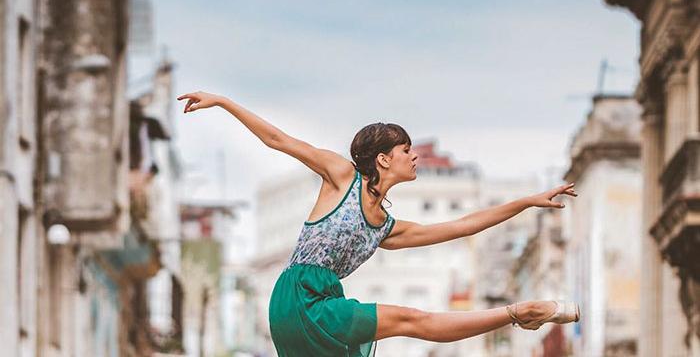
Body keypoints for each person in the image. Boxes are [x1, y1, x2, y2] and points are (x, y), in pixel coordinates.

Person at [177, 91, 581, 357]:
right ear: (384, 158)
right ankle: (520, 311)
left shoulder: (386, 227)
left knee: (415, 322)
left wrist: (527, 202)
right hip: (299, 299)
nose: (414, 157)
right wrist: (223, 102)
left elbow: (464, 225)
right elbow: (280, 141)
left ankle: (520, 311)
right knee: (412, 321)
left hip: (311, 307)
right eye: (407, 150)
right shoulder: (340, 176)